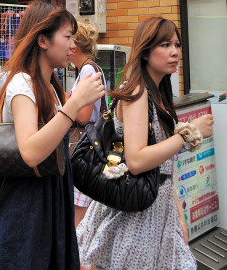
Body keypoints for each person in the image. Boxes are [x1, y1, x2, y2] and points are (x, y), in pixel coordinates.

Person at [77, 16, 214, 270]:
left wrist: (176, 214)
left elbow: (160, 166)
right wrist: (188, 135)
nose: (174, 52)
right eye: (165, 45)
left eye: (177, 44)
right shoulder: (137, 93)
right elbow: (138, 160)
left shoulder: (158, 93)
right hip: (135, 212)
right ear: (146, 51)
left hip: (153, 207)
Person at [0, 0, 105, 270]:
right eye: (67, 37)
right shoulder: (21, 83)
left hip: (49, 202)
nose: (73, 45)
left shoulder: (50, 86)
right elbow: (30, 152)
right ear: (42, 41)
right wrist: (74, 104)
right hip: (24, 207)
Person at [69, 22, 108, 229]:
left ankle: (79, 260)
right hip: (92, 148)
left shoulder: (87, 71)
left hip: (84, 148)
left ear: (74, 46)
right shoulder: (90, 69)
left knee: (79, 221)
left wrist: (67, 107)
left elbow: (83, 116)